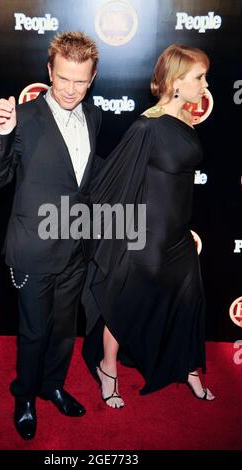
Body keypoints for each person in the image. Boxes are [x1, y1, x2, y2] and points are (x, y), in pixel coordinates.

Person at [82, 44, 215, 409]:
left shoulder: (186, 121)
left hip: (179, 237)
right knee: (123, 300)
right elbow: (115, 177)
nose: (205, 85)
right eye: (199, 77)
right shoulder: (147, 127)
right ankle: (107, 366)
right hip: (149, 237)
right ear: (175, 81)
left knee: (188, 301)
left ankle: (189, 368)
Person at [0, 31, 101, 439]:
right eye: (63, 78)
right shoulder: (25, 116)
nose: (70, 90)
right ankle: (26, 396)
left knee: (65, 329)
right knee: (33, 332)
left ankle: (53, 385)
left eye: (80, 81)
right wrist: (0, 135)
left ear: (92, 78)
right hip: (34, 250)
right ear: (49, 71)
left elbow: (82, 182)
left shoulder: (94, 114)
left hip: (75, 249)